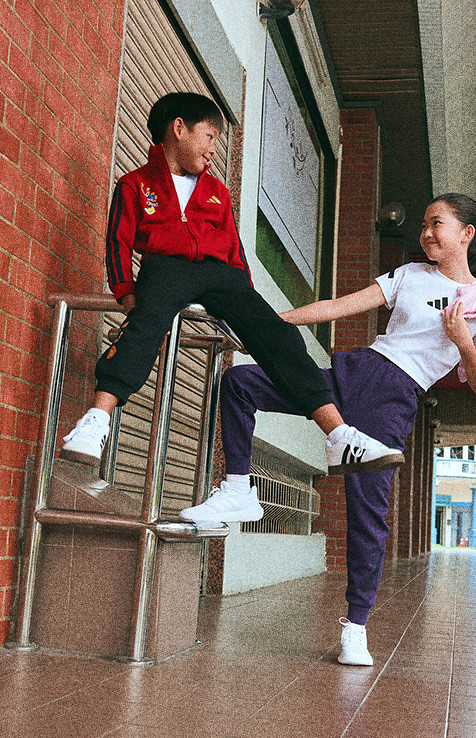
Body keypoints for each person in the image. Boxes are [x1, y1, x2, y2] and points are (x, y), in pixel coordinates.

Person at [182, 193, 476, 665]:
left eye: (437, 223)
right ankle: (239, 488)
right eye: (424, 224)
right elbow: (337, 307)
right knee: (242, 381)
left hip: (392, 400)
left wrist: (461, 342)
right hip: (350, 376)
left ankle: (357, 626)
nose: (426, 233)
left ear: (467, 234)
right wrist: (263, 322)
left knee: (367, 516)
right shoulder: (409, 275)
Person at [61, 92, 403, 484]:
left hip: (220, 274)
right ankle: (96, 420)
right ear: (178, 128)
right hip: (165, 268)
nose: (212, 150)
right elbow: (117, 240)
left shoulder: (216, 191)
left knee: (277, 335)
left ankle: (339, 435)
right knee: (145, 322)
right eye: (208, 137)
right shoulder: (135, 184)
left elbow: (235, 250)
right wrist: (124, 289)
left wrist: (246, 306)